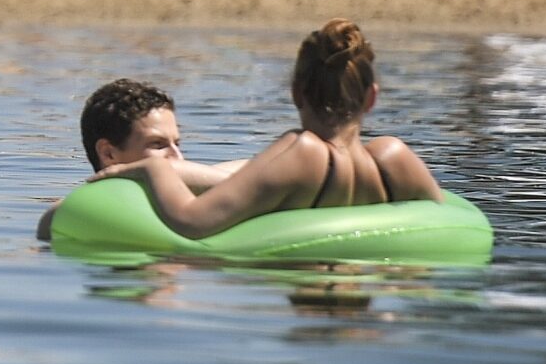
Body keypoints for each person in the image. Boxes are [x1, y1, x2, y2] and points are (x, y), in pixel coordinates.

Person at [87, 20, 443, 240]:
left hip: (310, 319)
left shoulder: (302, 152)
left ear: (296, 92)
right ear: (372, 98)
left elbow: (191, 223)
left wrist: (154, 167)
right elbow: (446, 227)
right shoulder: (393, 159)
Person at [35, 79, 243, 241]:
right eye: (157, 144)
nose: (177, 157)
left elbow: (259, 176)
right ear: (109, 154)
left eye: (176, 144)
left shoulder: (187, 180)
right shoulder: (62, 216)